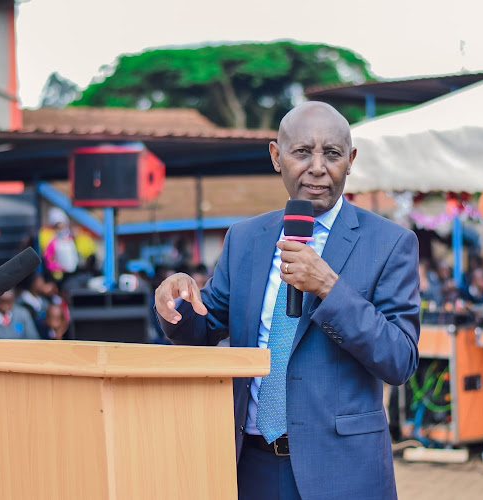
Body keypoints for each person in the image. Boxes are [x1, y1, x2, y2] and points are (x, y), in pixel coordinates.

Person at [155, 102, 420, 500]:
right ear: (276, 157)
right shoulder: (244, 239)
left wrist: (330, 288)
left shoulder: (390, 243)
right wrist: (176, 299)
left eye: (331, 154)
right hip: (252, 466)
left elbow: (400, 360)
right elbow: (203, 328)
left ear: (350, 161)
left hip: (343, 468)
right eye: (301, 152)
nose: (317, 167)